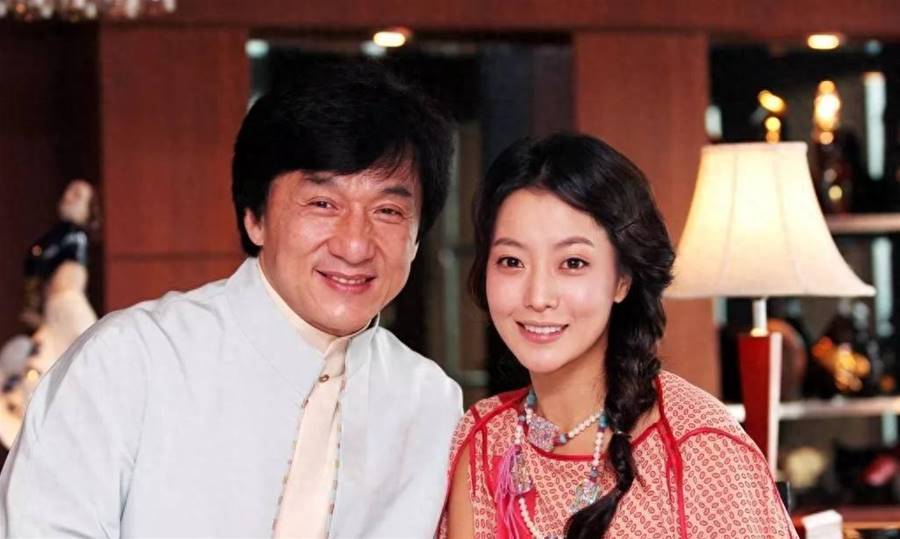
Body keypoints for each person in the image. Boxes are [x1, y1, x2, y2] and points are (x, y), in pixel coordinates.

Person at [0, 61, 463, 538]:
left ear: (417, 238)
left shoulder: (430, 403)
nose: (355, 244)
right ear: (254, 217)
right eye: (323, 203)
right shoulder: (130, 360)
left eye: (388, 211)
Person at [442, 133, 798, 538]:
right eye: (511, 261)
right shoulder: (486, 440)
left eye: (572, 263)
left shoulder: (700, 447)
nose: (538, 297)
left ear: (622, 279)